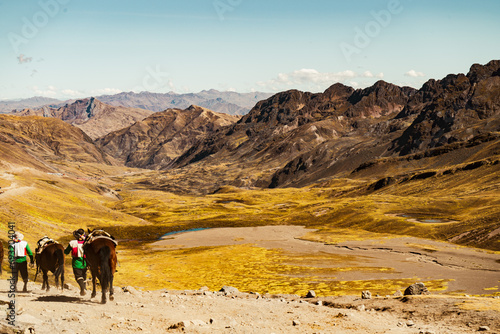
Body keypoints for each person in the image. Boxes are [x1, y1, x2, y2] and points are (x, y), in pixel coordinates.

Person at [64, 229, 87, 296]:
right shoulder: (86, 242)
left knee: (78, 276)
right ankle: (84, 288)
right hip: (85, 262)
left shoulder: (73, 243)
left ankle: (83, 289)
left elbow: (66, 251)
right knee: (84, 274)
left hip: (76, 262)